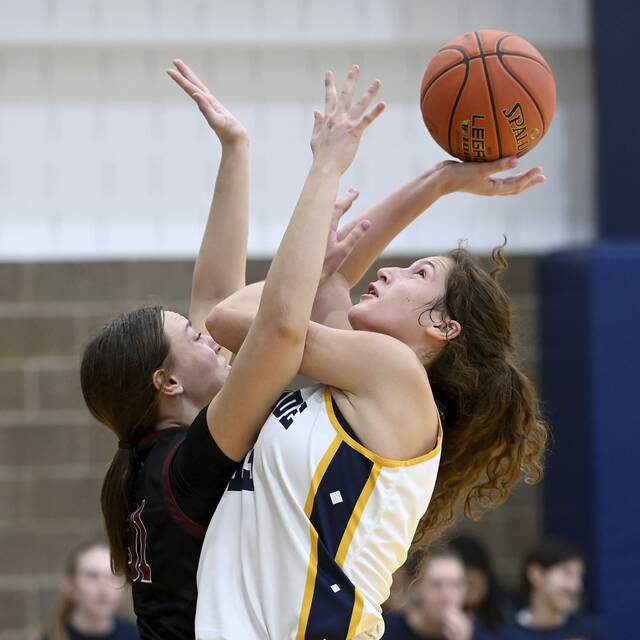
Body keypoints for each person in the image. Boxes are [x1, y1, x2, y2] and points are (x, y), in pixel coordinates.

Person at [194, 67, 549, 638]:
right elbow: (333, 281)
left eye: (419, 272)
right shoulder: (364, 378)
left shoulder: (396, 375)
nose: (390, 270)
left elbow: (234, 318)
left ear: (442, 325)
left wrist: (328, 170)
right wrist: (439, 181)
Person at [79, 60, 251, 639]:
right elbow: (266, 324)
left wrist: (235, 149)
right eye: (193, 335)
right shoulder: (185, 460)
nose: (210, 333)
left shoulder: (161, 456)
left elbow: (214, 292)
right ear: (167, 381)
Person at [499, 539, 610, 640]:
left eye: (579, 576)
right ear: (536, 574)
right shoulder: (506, 635)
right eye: (567, 573)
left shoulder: (592, 632)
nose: (576, 586)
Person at [383, 549, 492, 640]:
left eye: (456, 585)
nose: (446, 595)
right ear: (415, 588)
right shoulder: (384, 631)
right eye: (436, 585)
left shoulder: (477, 634)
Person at [40, 542, 138, 640]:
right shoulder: (51, 637)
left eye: (113, 576)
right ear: (70, 586)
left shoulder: (137, 635)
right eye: (92, 576)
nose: (103, 588)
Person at [448, 535, 510, 631]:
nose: (469, 590)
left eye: (473, 584)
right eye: (460, 583)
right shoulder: (439, 622)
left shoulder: (507, 611)